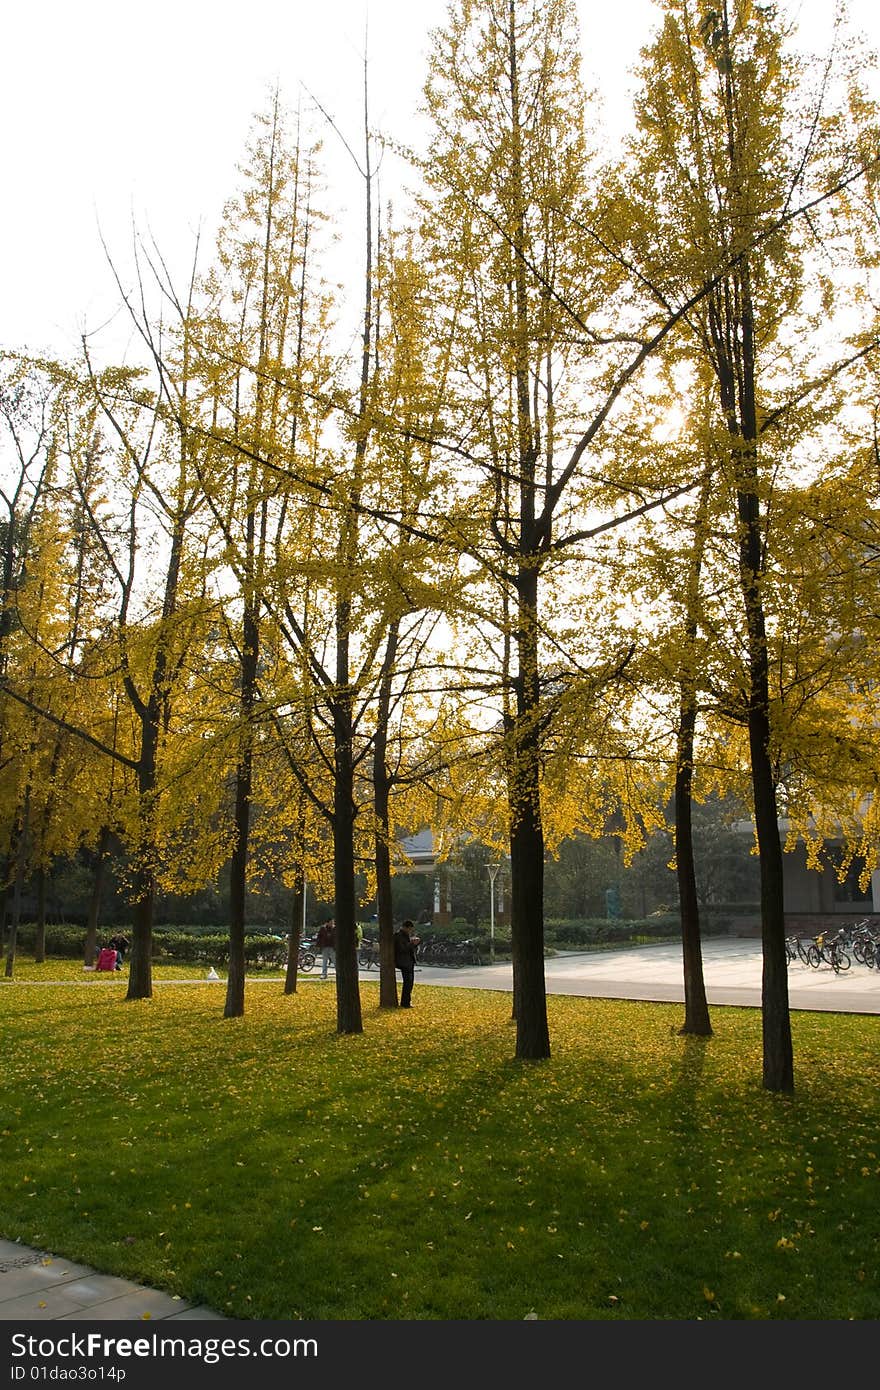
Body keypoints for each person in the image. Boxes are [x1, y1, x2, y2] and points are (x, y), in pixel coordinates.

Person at [393, 919, 420, 1008]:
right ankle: (405, 1003)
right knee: (408, 983)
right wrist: (412, 943)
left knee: (409, 983)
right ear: (405, 928)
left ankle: (406, 1001)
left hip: (408, 961)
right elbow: (402, 949)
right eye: (410, 929)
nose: (410, 931)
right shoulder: (399, 936)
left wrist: (414, 944)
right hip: (404, 962)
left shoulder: (405, 935)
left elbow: (408, 948)